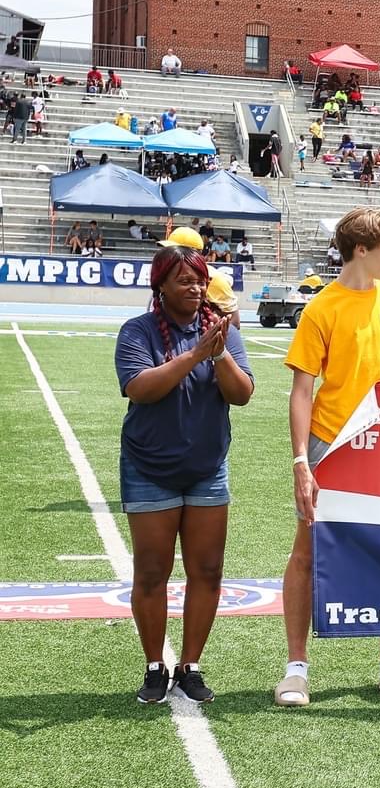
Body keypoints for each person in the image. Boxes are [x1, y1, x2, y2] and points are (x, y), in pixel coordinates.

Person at [276, 207, 380, 708]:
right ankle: (295, 668)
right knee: (307, 551)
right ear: (362, 250)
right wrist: (301, 462)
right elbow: (301, 391)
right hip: (331, 442)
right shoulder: (321, 308)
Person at [114, 230, 255, 703]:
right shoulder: (138, 331)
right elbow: (140, 388)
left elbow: (242, 395)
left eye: (200, 280)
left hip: (206, 467)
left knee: (207, 570)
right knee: (152, 572)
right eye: (183, 281)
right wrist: (196, 353)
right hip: (149, 466)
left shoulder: (223, 332)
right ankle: (155, 666)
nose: (195, 289)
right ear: (160, 287)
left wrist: (218, 357)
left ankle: (190, 666)